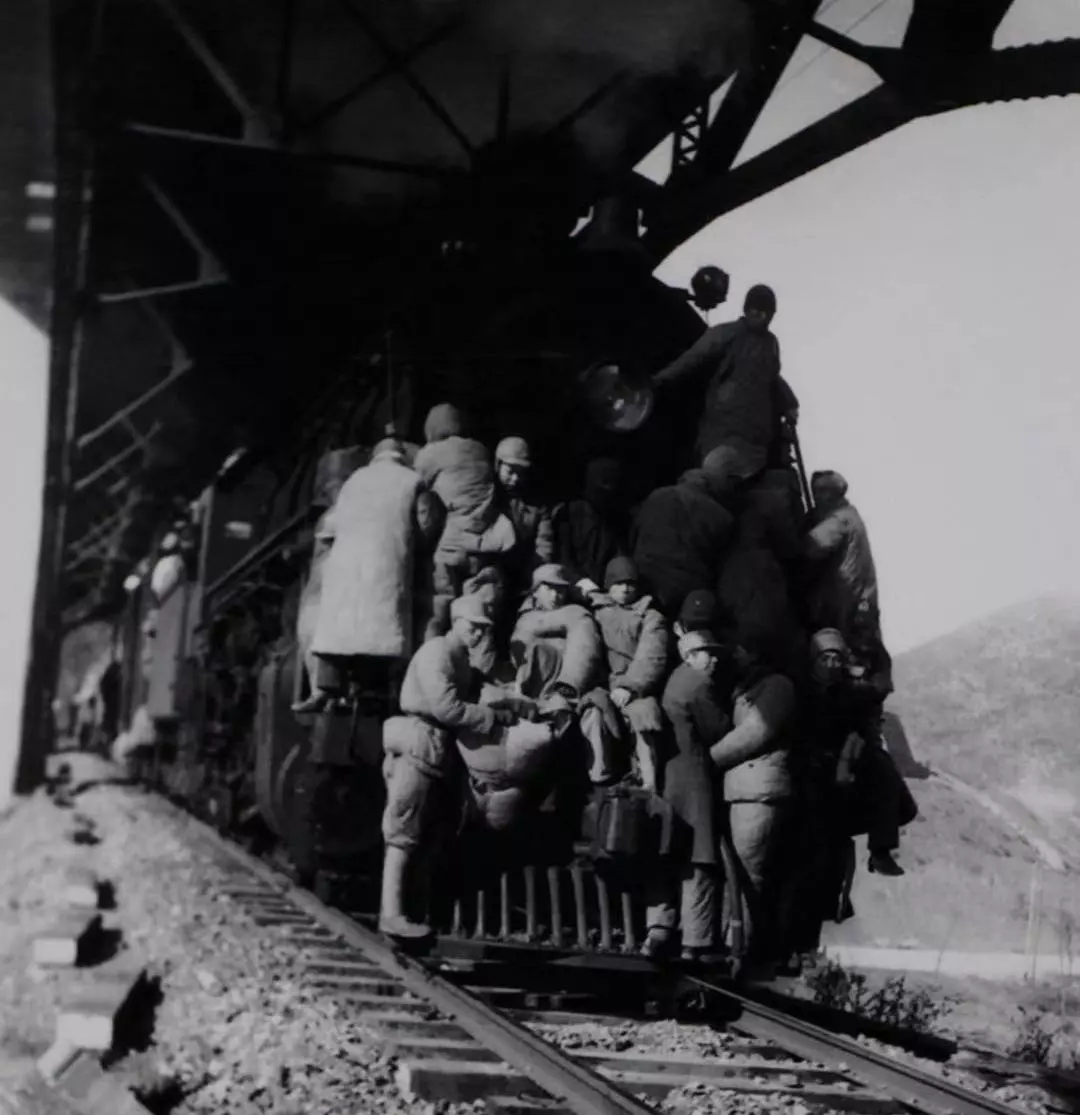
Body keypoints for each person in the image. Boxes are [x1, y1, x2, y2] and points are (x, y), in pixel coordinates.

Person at [379, 594, 516, 939]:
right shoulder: (437, 653)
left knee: (422, 831)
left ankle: (411, 912)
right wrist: (490, 717)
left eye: (483, 628)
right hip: (418, 742)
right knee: (403, 831)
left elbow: (475, 689)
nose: (478, 633)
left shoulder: (460, 657)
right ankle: (390, 914)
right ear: (456, 622)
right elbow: (447, 708)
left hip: (434, 747)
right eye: (473, 626)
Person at [301, 437, 439, 713]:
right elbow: (425, 526)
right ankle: (373, 693)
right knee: (379, 638)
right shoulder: (412, 480)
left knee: (337, 633)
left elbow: (331, 528)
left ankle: (327, 689)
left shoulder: (353, 482)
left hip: (345, 573)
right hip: (386, 572)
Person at [643, 628, 732, 962]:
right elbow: (718, 729)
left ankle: (658, 931)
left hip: (672, 779)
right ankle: (695, 942)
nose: (714, 660)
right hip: (695, 780)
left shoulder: (674, 680)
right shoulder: (698, 683)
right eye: (708, 653)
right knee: (700, 860)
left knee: (669, 856)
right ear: (690, 656)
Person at [710, 646, 798, 967]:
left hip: (758, 793)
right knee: (737, 870)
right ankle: (731, 944)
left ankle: (737, 950)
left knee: (747, 874)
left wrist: (707, 758)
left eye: (742, 650)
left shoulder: (778, 687)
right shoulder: (752, 685)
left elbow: (754, 733)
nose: (735, 655)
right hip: (742, 790)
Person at [651, 284, 799, 471]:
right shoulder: (726, 332)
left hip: (757, 436)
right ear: (746, 309)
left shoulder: (771, 343)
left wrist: (790, 403)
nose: (760, 315)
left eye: (766, 311)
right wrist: (658, 380)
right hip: (724, 425)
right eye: (755, 308)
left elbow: (774, 377)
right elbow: (692, 358)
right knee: (714, 473)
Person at [414, 404, 516, 640]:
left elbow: (411, 485)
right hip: (484, 547)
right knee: (476, 618)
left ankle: (432, 655)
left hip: (449, 548)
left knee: (438, 611)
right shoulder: (480, 451)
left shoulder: (431, 454)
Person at [510, 564, 609, 781]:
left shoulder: (578, 616)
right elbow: (519, 656)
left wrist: (566, 687)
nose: (556, 595)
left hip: (569, 691)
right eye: (549, 588)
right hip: (533, 693)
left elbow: (585, 652)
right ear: (536, 590)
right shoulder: (524, 620)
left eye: (561, 590)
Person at [717, 468, 807, 679]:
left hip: (732, 567)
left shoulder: (732, 500)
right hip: (762, 566)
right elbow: (791, 546)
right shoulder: (775, 502)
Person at [590, 557, 668, 790]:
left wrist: (630, 686)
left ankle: (649, 782)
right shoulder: (596, 613)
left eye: (630, 584)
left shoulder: (650, 616)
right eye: (618, 583)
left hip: (635, 687)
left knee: (645, 715)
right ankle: (600, 778)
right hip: (603, 684)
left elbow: (651, 655)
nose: (625, 589)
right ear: (608, 585)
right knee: (592, 712)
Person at [631, 448, 739, 618]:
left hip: (641, 591)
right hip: (689, 603)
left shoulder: (658, 495)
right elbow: (726, 574)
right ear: (730, 480)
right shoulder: (722, 517)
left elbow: (633, 537)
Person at [802, 470, 879, 637]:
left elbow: (810, 548)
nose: (817, 498)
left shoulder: (839, 520)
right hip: (862, 600)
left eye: (821, 492)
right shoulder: (850, 513)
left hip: (850, 601)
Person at [553, 458, 632, 602]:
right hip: (568, 591)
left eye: (613, 483)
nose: (608, 489)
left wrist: (617, 582)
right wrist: (580, 582)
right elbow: (562, 555)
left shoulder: (616, 518)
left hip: (605, 593)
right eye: (604, 482)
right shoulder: (569, 513)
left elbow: (619, 557)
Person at [493, 436, 556, 602]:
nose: (515, 478)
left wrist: (536, 574)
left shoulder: (537, 504)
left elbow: (544, 543)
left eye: (521, 473)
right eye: (510, 471)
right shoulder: (487, 498)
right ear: (497, 466)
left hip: (525, 576)